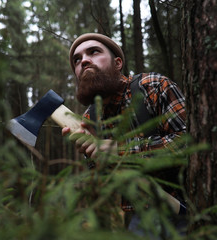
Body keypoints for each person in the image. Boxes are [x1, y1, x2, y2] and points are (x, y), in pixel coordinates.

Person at [62, 33, 187, 236]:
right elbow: (110, 183)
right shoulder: (90, 118)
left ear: (118, 62)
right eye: (77, 60)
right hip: (141, 217)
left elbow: (191, 144)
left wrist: (119, 149)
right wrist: (93, 155)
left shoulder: (152, 87)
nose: (83, 60)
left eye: (93, 52)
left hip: (190, 207)